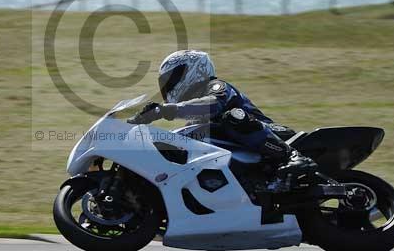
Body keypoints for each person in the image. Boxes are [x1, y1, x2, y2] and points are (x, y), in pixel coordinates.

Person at [128, 49, 317, 177]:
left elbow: (212, 105)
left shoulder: (215, 86)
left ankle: (293, 157)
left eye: (172, 78)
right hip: (247, 152)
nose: (168, 86)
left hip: (275, 134)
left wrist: (164, 110)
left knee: (233, 117)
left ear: (193, 70)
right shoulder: (194, 118)